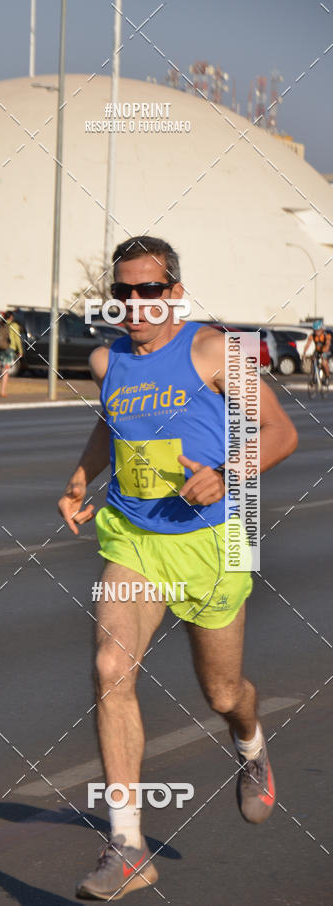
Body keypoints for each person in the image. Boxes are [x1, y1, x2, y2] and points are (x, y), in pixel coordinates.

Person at [58, 236, 298, 901]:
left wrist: (226, 474)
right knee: (111, 669)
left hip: (213, 542)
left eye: (148, 290)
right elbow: (111, 426)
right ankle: (128, 846)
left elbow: (280, 431)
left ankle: (249, 743)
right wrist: (82, 478)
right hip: (133, 538)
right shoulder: (109, 360)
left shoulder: (215, 349)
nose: (134, 304)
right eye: (123, 293)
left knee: (222, 693)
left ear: (174, 292)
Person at [0, 311, 23, 398]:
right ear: (11, 317)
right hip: (9, 349)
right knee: (6, 370)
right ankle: (3, 391)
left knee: (3, 369)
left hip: (0, 349)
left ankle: (2, 389)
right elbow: (17, 339)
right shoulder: (14, 325)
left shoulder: (1, 324)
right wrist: (20, 350)